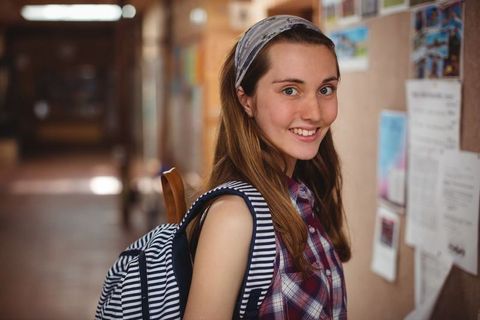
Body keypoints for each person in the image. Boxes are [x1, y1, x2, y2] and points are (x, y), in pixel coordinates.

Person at [184, 15, 351, 319]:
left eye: (326, 89)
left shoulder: (302, 192)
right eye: (290, 90)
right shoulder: (235, 217)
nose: (314, 112)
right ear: (246, 100)